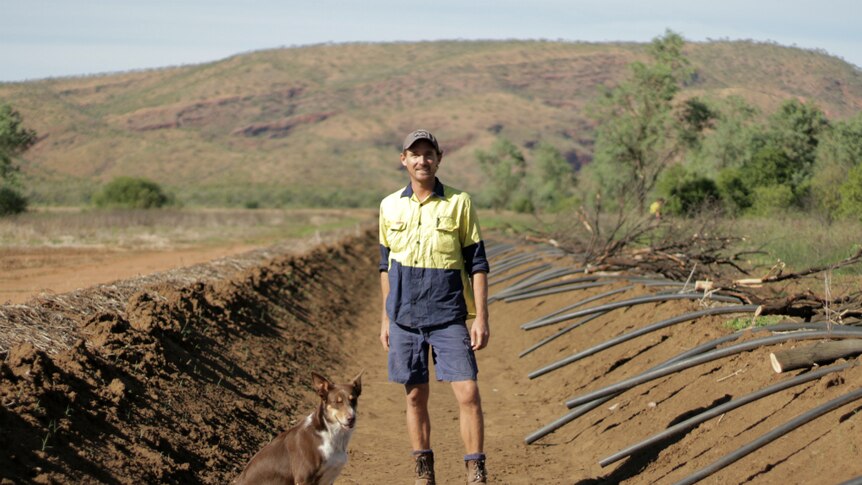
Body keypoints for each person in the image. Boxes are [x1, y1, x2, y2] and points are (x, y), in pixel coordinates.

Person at [378, 129, 490, 484]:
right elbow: (386, 266)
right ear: (404, 160)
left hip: (448, 315)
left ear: (439, 159)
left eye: (429, 153)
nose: (422, 160)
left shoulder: (459, 203)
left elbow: (477, 263)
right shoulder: (389, 206)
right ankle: (424, 472)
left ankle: (475, 470)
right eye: (415, 154)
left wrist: (481, 317)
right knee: (415, 396)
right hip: (404, 319)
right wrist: (385, 318)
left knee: (468, 392)